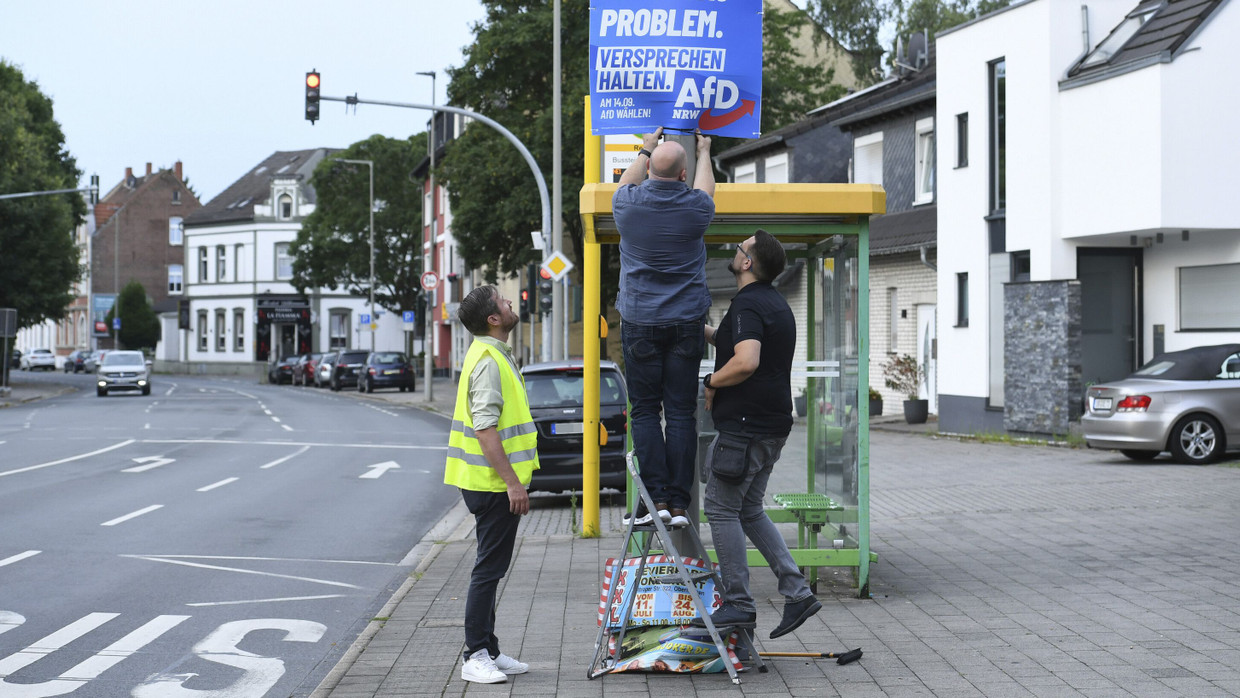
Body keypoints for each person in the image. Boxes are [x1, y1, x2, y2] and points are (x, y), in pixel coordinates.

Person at [691, 230, 823, 639]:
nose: (734, 252)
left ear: (747, 262)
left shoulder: (748, 303)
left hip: (744, 429)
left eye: (739, 248)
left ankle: (738, 605)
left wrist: (711, 380)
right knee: (748, 509)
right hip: (771, 427)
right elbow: (734, 341)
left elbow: (746, 360)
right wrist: (704, 331)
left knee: (720, 508)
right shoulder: (773, 303)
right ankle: (797, 591)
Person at [613, 126, 715, 528]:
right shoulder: (695, 209)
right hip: (686, 322)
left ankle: (654, 499)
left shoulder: (628, 206)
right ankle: (678, 503)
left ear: (651, 169)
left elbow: (626, 180)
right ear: (683, 174)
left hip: (640, 322)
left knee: (643, 412)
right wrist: (704, 151)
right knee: (680, 413)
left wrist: (645, 149)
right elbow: (707, 191)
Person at [444, 285, 538, 683]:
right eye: (504, 301)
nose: (511, 301)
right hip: (491, 485)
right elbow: (485, 430)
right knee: (488, 570)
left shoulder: (494, 354)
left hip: (489, 483)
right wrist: (513, 484)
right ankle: (475, 655)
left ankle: (490, 649)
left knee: (493, 568)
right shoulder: (487, 361)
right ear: (493, 319)